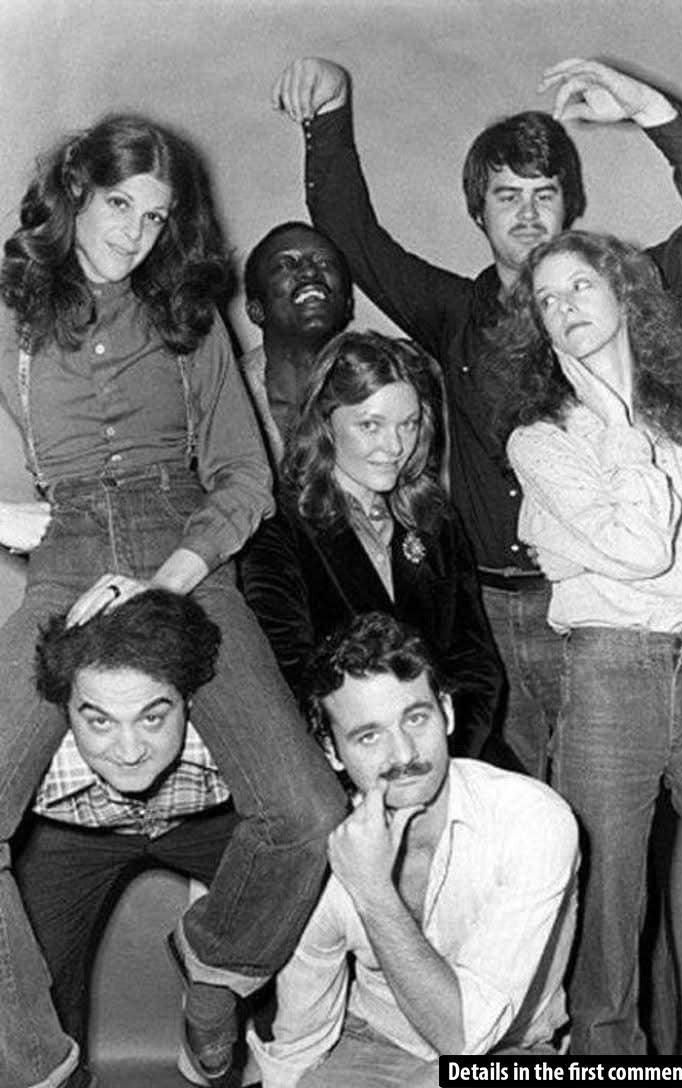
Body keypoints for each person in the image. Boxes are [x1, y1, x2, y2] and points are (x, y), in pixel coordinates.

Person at [270, 55, 682, 780]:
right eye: (506, 196)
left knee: (613, 823)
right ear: (478, 212)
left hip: (610, 608)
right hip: (489, 613)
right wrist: (329, 117)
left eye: (544, 194)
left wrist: (652, 109)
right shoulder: (456, 313)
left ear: (569, 205)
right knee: (512, 811)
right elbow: (355, 240)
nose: (527, 213)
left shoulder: (626, 297)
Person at [0, 114, 346, 1088]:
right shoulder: (13, 308)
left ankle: (213, 971)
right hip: (66, 550)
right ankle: (38, 1065)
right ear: (74, 194)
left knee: (309, 811)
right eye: (119, 204)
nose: (136, 232)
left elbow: (244, 476)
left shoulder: (190, 313)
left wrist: (167, 581)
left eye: (155, 216)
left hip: (182, 544)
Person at [494, 229, 682, 1054]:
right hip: (605, 678)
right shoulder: (541, 440)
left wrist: (576, 555)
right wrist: (617, 422)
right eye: (546, 300)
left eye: (580, 287)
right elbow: (645, 547)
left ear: (625, 295)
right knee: (604, 918)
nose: (563, 307)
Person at [249, 611, 580, 1088]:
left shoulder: (530, 820)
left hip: (507, 1051)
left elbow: (465, 1040)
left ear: (446, 712)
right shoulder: (321, 849)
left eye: (416, 718)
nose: (403, 754)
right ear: (332, 751)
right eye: (369, 736)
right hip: (372, 1044)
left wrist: (373, 892)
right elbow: (301, 1037)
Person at [240, 330, 505, 761]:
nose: (395, 447)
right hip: (342, 758)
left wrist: (447, 756)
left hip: (451, 748)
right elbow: (290, 673)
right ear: (325, 425)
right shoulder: (278, 525)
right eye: (370, 425)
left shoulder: (433, 517)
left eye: (409, 424)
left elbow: (476, 664)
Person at [15, 590, 237, 1088]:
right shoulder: (32, 763)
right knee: (36, 973)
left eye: (153, 717)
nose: (130, 750)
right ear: (64, 712)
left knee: (288, 902)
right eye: (99, 721)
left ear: (190, 702)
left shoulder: (232, 742)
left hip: (206, 822)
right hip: (69, 836)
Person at [242, 220, 354, 467]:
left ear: (347, 305)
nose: (310, 272)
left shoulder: (382, 385)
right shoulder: (225, 394)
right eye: (286, 264)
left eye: (324, 262)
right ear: (256, 310)